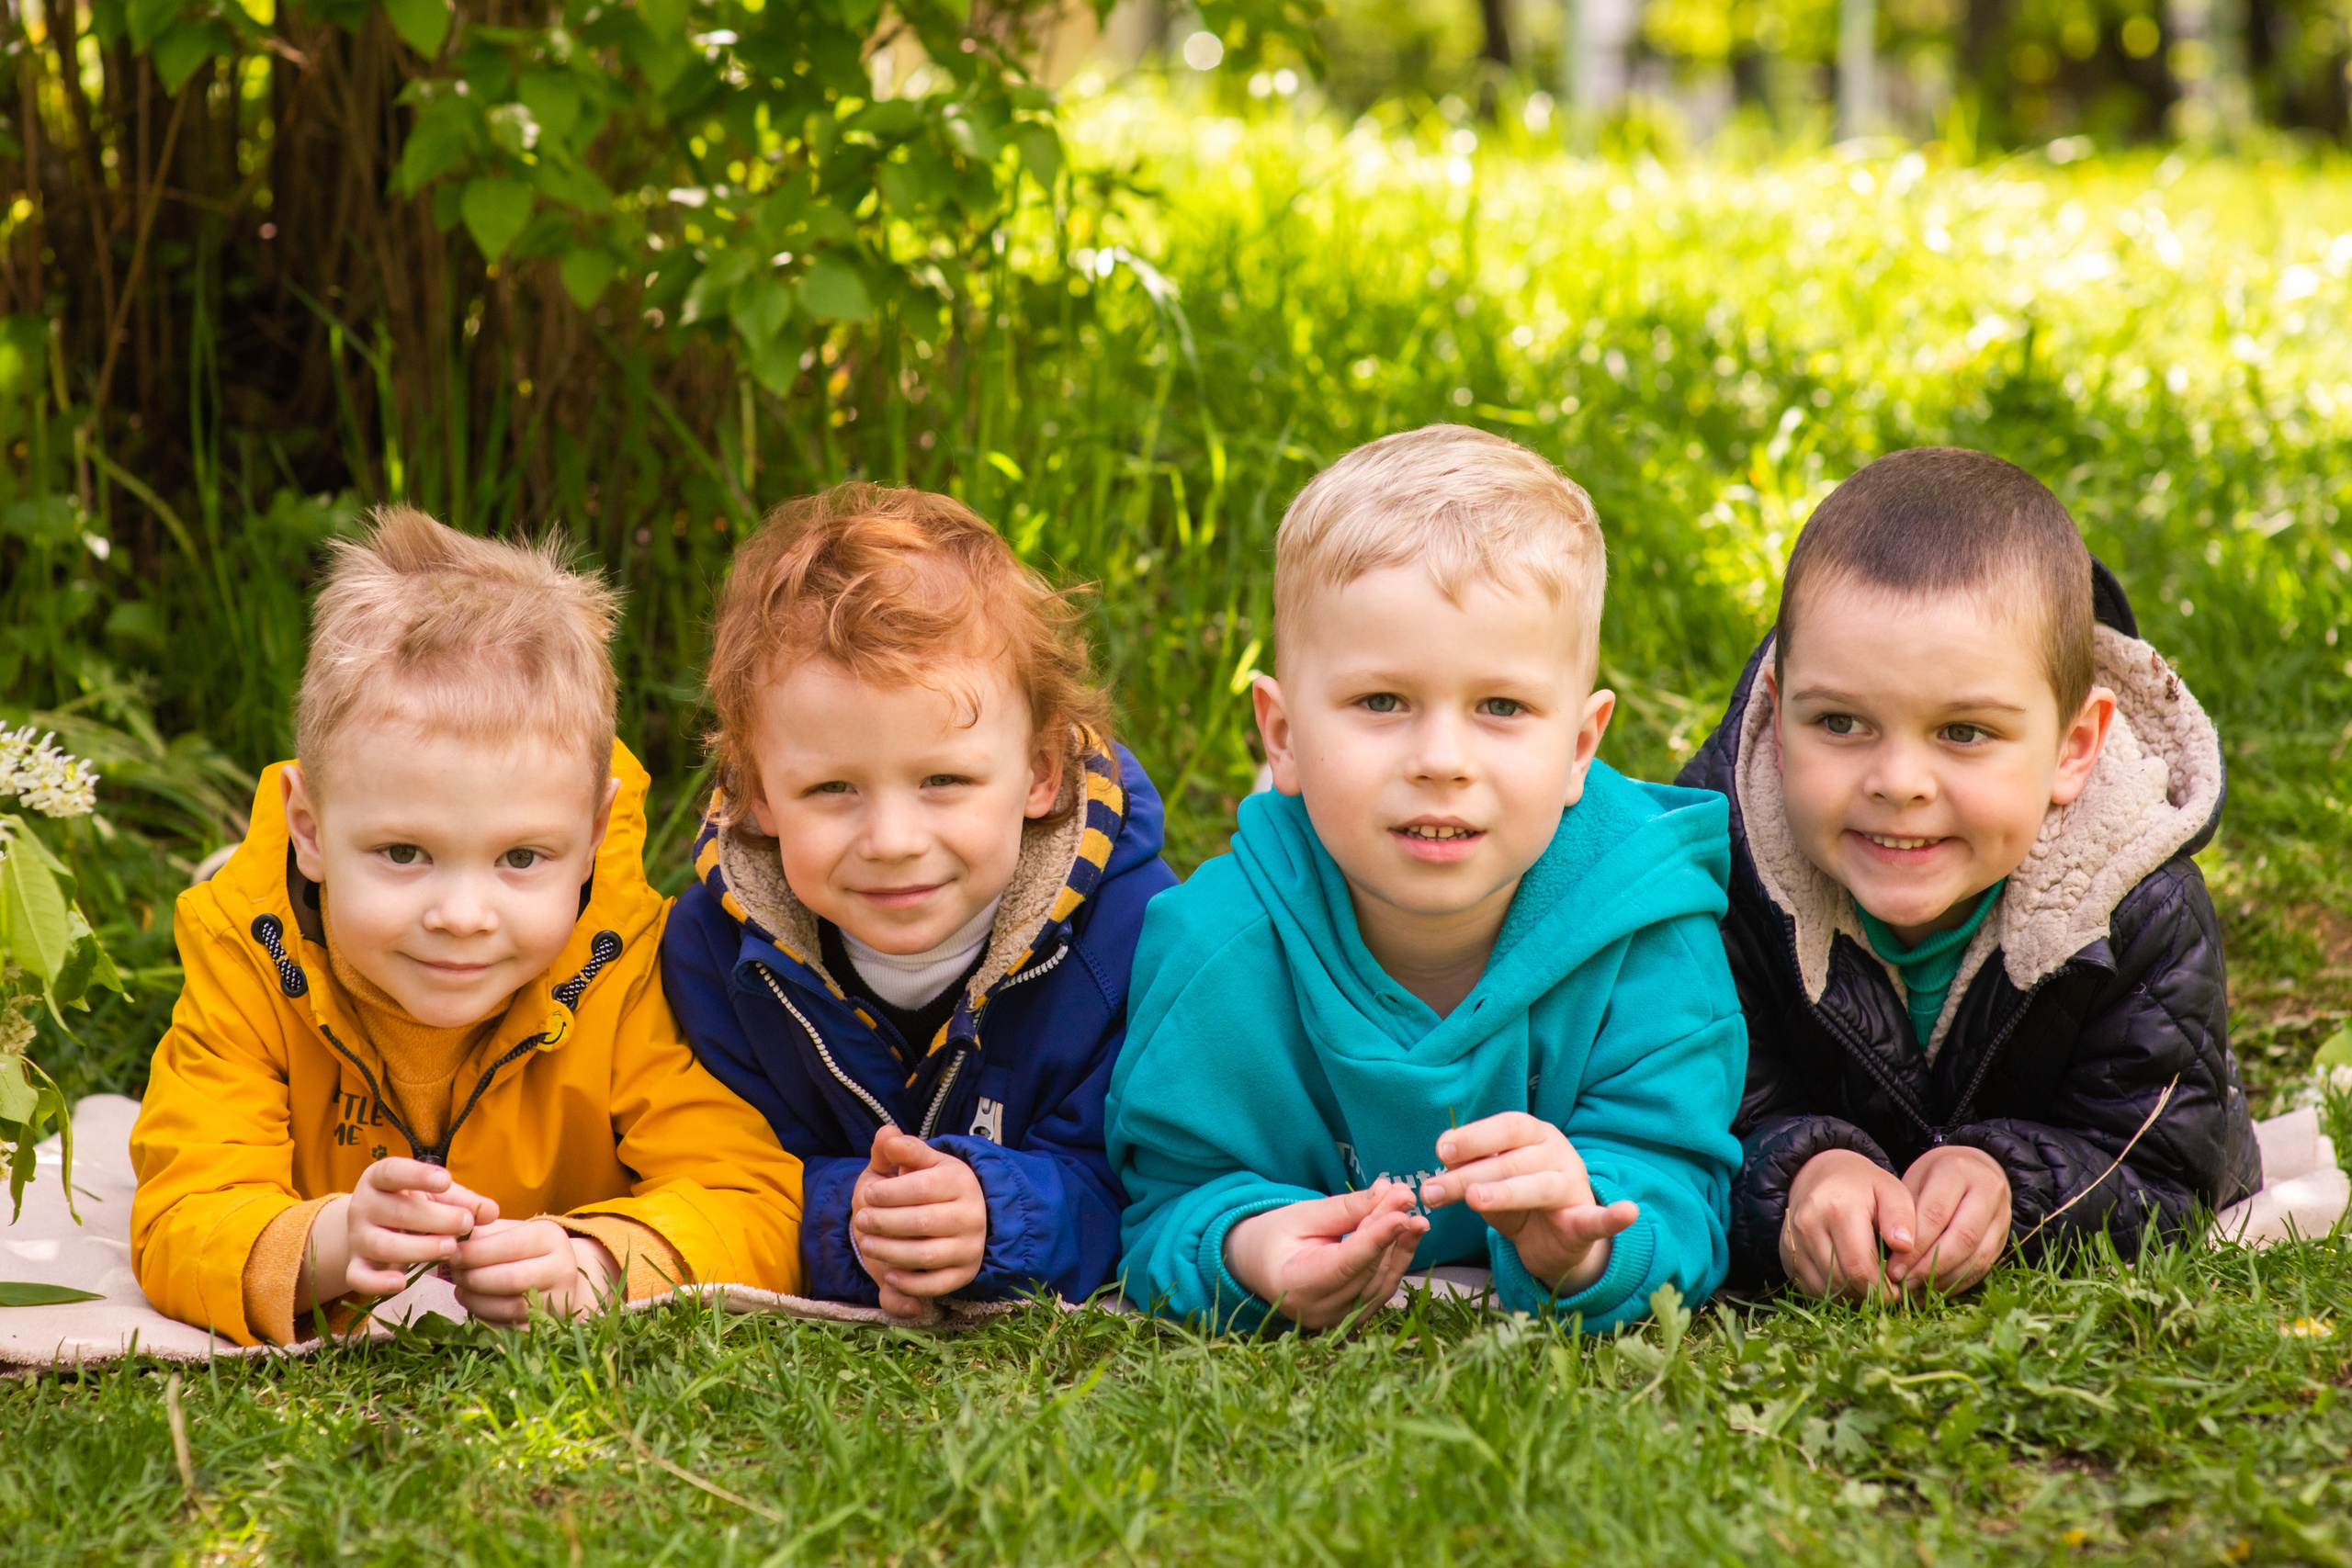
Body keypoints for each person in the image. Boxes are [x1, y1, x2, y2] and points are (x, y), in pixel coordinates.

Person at [1106, 425, 1747, 1331]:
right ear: (1280, 735)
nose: (1441, 759)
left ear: (1579, 746)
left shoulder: (1648, 933)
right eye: (1381, 702)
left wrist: (1587, 1237)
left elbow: (1682, 1186)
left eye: (1500, 707)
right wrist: (1247, 1249)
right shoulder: (1213, 947)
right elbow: (1161, 1200)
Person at [130, 509, 806, 1346]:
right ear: (306, 826)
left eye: (521, 858)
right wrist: (330, 1243)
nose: (461, 915)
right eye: (404, 851)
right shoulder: (249, 958)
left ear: (592, 835)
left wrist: (600, 1262)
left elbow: (751, 1195)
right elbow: (181, 1213)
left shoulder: (626, 963)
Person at [1678, 447, 2261, 1300]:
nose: (1899, 781)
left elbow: (2172, 1168)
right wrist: (1796, 1178)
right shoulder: (1716, 882)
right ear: (1777, 706)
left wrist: (2012, 1185)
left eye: (1964, 732)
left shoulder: (2136, 907)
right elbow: (1667, 1129)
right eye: (1840, 722)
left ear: (2074, 748)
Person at [661, 485, 1177, 1318]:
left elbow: (1146, 1177)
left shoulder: (1130, 936)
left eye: (944, 780)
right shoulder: (715, 960)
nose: (894, 839)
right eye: (832, 788)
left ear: (1041, 770)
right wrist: (850, 1219)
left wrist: (1001, 1212)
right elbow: (723, 1173)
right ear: (756, 793)